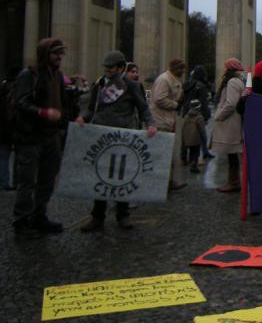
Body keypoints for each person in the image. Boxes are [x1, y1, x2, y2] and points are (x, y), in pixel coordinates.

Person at [80, 50, 156, 232]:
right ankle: (97, 216)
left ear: (121, 68)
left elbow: (143, 107)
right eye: (106, 67)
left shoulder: (131, 86)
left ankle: (123, 215)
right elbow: (90, 108)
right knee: (101, 177)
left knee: (122, 176)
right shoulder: (99, 84)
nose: (107, 70)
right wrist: (83, 117)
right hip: (102, 135)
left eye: (111, 67)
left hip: (124, 136)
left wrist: (151, 124)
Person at [12, 39, 82, 237]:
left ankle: (39, 216)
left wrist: (73, 117)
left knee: (47, 179)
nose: (60, 57)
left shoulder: (57, 76)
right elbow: (21, 102)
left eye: (61, 53)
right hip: (31, 136)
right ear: (45, 55)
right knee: (27, 181)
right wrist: (43, 112)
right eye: (55, 53)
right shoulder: (28, 75)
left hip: (51, 136)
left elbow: (63, 103)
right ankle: (21, 222)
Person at [149, 59, 186, 191]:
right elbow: (159, 99)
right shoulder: (164, 80)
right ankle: (162, 182)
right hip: (161, 120)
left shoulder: (171, 79)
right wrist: (176, 104)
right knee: (163, 151)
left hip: (166, 119)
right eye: (181, 68)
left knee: (167, 151)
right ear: (174, 68)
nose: (183, 71)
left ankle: (167, 181)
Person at [213, 59, 246, 193]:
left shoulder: (232, 82)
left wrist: (218, 115)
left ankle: (233, 182)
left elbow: (231, 104)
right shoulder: (239, 81)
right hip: (235, 121)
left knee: (232, 154)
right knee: (233, 154)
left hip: (230, 122)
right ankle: (234, 181)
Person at [180, 65, 213, 164]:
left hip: (187, 112)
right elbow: (203, 103)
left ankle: (184, 157)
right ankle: (195, 159)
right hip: (198, 114)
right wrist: (207, 116)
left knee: (185, 135)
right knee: (199, 135)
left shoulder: (186, 84)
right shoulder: (201, 86)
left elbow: (182, 98)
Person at [0, 66, 22, 191]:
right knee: (18, 156)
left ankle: (4, 182)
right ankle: (16, 181)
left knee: (3, 156)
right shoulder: (18, 89)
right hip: (15, 127)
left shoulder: (2, 88)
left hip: (3, 128)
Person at [182, 99, 204, 173]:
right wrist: (203, 137)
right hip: (196, 138)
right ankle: (194, 166)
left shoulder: (186, 116)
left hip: (187, 138)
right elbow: (202, 129)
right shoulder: (199, 117)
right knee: (196, 152)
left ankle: (189, 161)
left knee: (191, 151)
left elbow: (183, 127)